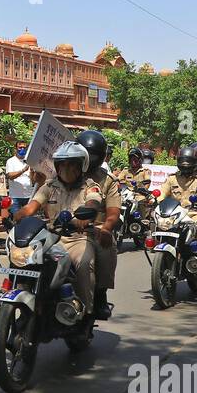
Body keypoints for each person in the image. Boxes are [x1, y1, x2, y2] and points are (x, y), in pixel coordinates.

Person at [14, 142, 103, 315]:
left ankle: (85, 311)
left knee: (84, 264)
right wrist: (19, 214)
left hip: (78, 237)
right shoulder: (49, 186)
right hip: (51, 237)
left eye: (71, 164)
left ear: (81, 166)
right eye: (62, 164)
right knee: (26, 260)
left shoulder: (90, 186)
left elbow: (93, 202)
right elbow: (33, 205)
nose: (66, 168)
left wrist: (85, 217)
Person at [76, 130, 122, 316]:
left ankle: (100, 294)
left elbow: (113, 210)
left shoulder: (107, 180)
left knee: (106, 246)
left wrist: (107, 227)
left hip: (94, 228)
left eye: (92, 155)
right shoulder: (65, 171)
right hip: (63, 227)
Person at [157, 146, 197, 267]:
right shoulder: (172, 178)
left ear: (195, 163)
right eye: (183, 161)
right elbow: (162, 193)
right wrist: (156, 200)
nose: (185, 164)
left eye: (188, 162)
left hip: (194, 213)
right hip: (174, 214)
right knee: (157, 220)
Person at [4, 139, 35, 213]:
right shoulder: (11, 161)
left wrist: (32, 172)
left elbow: (33, 180)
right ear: (16, 149)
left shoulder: (29, 161)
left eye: (24, 148)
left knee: (28, 218)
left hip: (28, 196)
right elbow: (10, 176)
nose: (22, 149)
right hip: (15, 197)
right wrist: (23, 170)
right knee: (17, 218)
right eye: (20, 147)